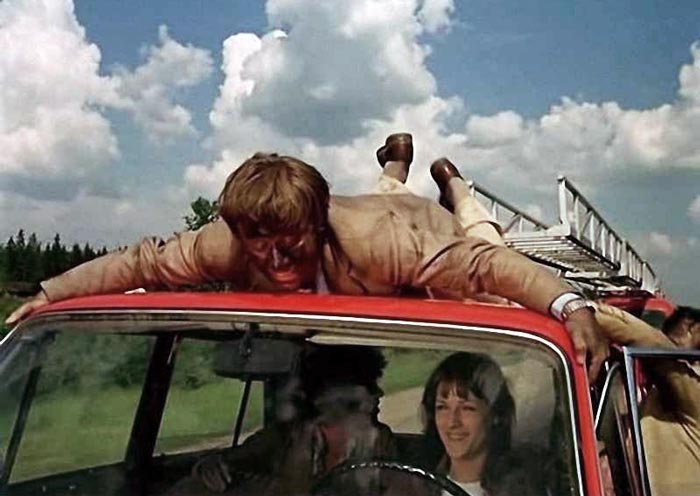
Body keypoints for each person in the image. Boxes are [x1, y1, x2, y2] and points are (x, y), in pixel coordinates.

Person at [6, 143, 605, 379]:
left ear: (316, 225)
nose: (274, 257)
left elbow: (483, 268)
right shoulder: (225, 242)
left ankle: (451, 182)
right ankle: (394, 164)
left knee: (485, 241)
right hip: (368, 231)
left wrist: (569, 304)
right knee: (385, 193)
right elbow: (142, 264)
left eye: (289, 240)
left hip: (418, 232)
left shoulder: (384, 241)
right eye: (257, 241)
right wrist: (51, 294)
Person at [168, 345, 395, 496]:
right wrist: (209, 467)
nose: (378, 394)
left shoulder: (380, 441)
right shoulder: (282, 437)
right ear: (326, 395)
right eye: (368, 387)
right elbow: (228, 465)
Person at [593, 304, 700, 496]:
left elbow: (651, 343)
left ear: (693, 329)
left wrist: (575, 309)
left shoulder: (690, 388)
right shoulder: (657, 392)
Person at [420, 352, 545, 496]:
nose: (452, 422)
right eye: (442, 407)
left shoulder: (522, 489)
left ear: (495, 415)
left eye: (467, 408)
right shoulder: (417, 485)